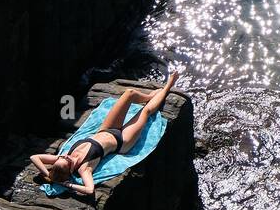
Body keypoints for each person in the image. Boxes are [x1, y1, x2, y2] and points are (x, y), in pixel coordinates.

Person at [31, 72, 180, 197]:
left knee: (129, 93)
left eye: (64, 157)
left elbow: (34, 157)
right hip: (123, 142)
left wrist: (50, 176)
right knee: (146, 112)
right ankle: (168, 86)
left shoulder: (60, 159)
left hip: (106, 129)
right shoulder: (84, 169)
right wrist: (67, 184)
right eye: (68, 161)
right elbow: (89, 190)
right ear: (70, 170)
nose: (66, 156)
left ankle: (149, 97)